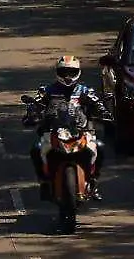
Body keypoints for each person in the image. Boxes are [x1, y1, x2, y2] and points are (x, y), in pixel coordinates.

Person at [27, 56, 110, 200]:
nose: (67, 76)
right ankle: (44, 182)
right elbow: (35, 103)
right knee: (36, 148)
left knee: (100, 147)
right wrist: (32, 114)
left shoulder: (85, 91)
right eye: (64, 72)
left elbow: (98, 103)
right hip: (53, 131)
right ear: (57, 72)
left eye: (71, 72)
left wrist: (104, 113)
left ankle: (93, 182)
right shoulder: (48, 90)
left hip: (80, 131)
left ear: (78, 72)